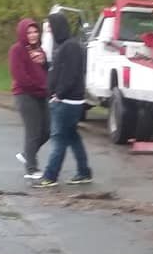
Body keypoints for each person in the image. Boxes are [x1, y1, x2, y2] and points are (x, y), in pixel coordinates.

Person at [33, 12, 92, 187]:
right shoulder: (63, 46)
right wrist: (44, 63)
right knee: (73, 138)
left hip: (66, 102)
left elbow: (71, 74)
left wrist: (59, 94)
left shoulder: (71, 47)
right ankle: (84, 172)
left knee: (58, 138)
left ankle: (50, 176)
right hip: (66, 100)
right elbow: (57, 70)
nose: (49, 32)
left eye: (50, 28)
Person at [8, 18, 50, 179]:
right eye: (29, 32)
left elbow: (46, 72)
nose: (33, 35)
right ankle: (31, 169)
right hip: (24, 94)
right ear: (22, 33)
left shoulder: (40, 50)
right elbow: (19, 76)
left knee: (47, 130)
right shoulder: (16, 50)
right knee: (33, 131)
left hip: (41, 94)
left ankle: (27, 154)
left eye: (35, 31)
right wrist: (39, 87)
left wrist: (44, 62)